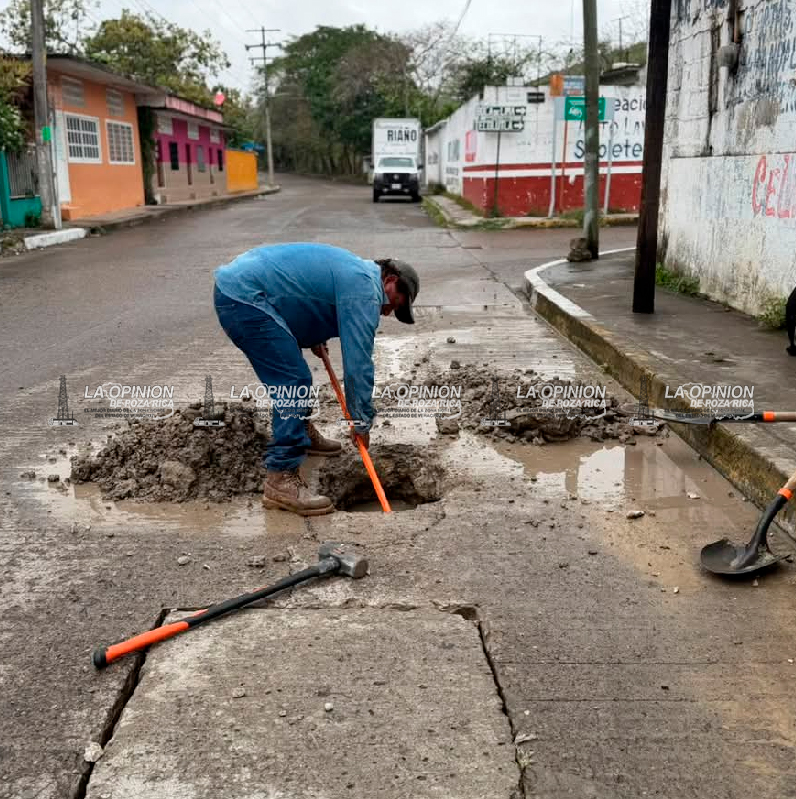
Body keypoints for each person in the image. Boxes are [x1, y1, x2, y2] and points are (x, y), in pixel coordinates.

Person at [213, 243, 419, 516]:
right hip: (245, 298)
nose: (388, 311)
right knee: (293, 380)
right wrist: (361, 421)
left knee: (293, 374)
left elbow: (306, 293)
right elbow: (358, 365)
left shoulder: (357, 274)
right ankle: (281, 477)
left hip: (243, 290)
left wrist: (313, 334)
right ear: (390, 280)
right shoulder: (367, 289)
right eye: (394, 303)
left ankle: (301, 432)